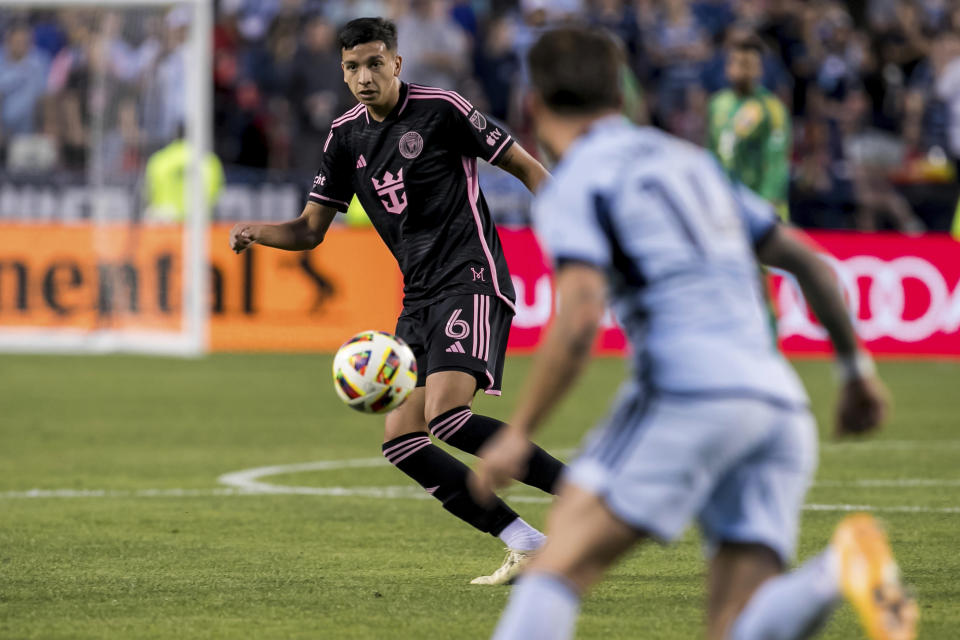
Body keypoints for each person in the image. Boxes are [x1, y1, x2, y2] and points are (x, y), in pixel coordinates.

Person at [474, 27, 918, 640]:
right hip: (778, 406)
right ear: (622, 97)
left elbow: (577, 317)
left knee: (557, 568)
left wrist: (517, 433)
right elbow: (810, 262)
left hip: (686, 395)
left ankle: (833, 572)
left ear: (535, 106)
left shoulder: (576, 181)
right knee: (735, 626)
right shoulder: (688, 161)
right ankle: (834, 571)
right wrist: (855, 372)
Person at [229, 17, 562, 585]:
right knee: (403, 442)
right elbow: (311, 230)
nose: (364, 76)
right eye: (352, 67)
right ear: (342, 70)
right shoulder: (345, 136)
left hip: (471, 275)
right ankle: (525, 543)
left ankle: (590, 501)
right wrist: (261, 231)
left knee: (449, 418)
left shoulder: (442, 109)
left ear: (396, 64)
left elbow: (525, 167)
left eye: (374, 63)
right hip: (418, 297)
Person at [707, 32, 792, 220]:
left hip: (760, 206)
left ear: (758, 68)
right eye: (734, 62)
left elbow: (777, 163)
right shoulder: (717, 104)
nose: (740, 69)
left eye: (747, 64)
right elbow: (712, 152)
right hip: (726, 206)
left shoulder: (772, 109)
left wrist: (768, 205)